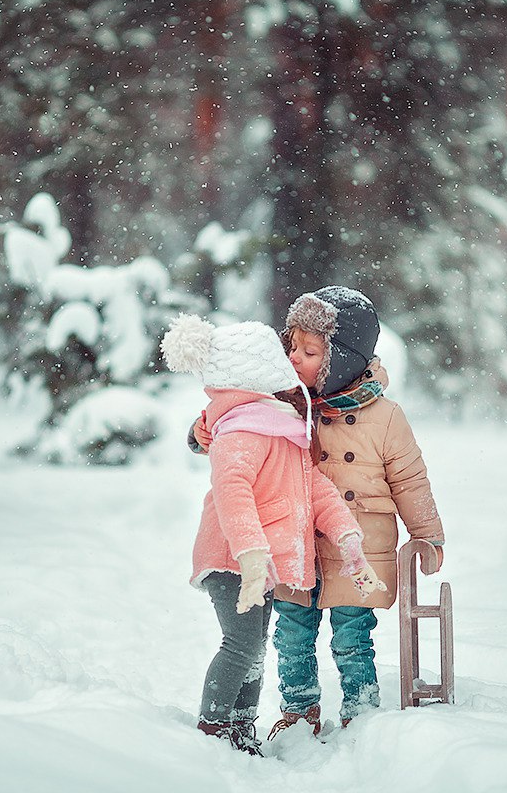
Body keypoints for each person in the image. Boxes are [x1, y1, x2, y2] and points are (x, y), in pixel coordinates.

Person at [190, 287, 445, 736]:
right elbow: (230, 413)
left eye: (309, 352)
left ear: (341, 360)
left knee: (352, 638)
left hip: (355, 545)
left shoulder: (384, 417)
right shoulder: (284, 404)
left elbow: (410, 479)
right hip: (295, 545)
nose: (294, 358)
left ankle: (361, 714)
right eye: (292, 347)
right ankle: (298, 709)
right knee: (291, 635)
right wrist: (202, 430)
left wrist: (426, 533)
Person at [162, 314, 384, 756]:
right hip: (232, 558)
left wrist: (346, 535)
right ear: (254, 372)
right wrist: (248, 553)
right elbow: (232, 492)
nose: (287, 365)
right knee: (241, 645)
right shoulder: (241, 429)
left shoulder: (281, 426)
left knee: (255, 649)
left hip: (258, 564)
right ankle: (211, 731)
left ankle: (241, 732)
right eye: (277, 359)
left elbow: (314, 489)